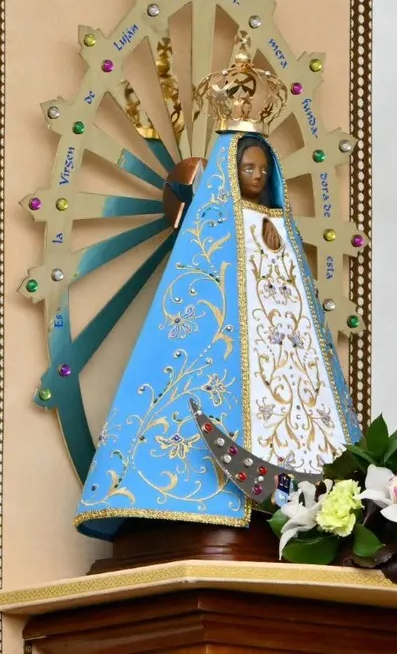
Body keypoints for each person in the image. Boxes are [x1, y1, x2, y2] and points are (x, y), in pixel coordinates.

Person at [75, 62, 361, 540]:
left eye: (263, 170)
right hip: (227, 353)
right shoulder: (209, 232)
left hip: (280, 352)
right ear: (228, 171)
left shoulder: (278, 228)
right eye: (247, 168)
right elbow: (197, 305)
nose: (256, 177)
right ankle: (207, 501)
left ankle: (302, 499)